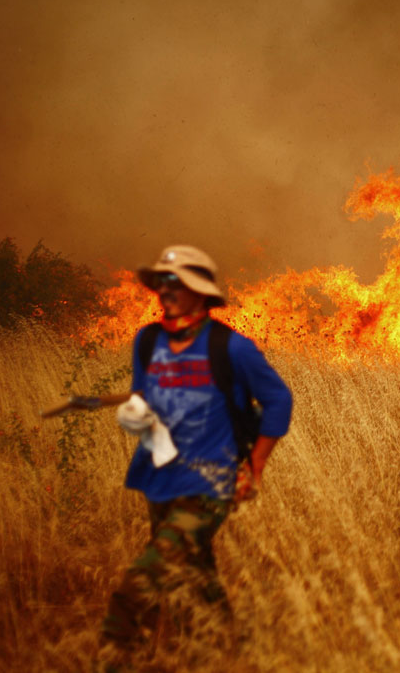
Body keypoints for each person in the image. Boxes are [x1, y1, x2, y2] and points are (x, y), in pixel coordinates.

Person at [100, 244, 292, 661]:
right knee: (193, 573)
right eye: (162, 282)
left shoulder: (232, 349)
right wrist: (137, 414)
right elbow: (143, 397)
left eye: (177, 282)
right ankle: (226, 654)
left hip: (210, 481)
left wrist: (254, 466)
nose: (165, 290)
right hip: (159, 477)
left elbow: (279, 401)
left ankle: (115, 657)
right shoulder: (148, 341)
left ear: (200, 291)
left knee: (144, 578)